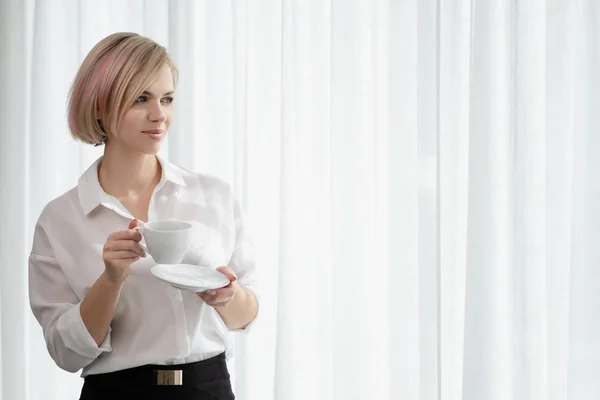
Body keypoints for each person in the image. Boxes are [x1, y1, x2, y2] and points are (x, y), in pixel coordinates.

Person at [28, 32, 258, 400]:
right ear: (100, 106)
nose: (159, 115)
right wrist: (111, 279)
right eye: (141, 99)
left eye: (167, 99)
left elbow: (245, 316)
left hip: (208, 388)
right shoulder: (61, 219)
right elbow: (65, 353)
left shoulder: (212, 195)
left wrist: (227, 294)